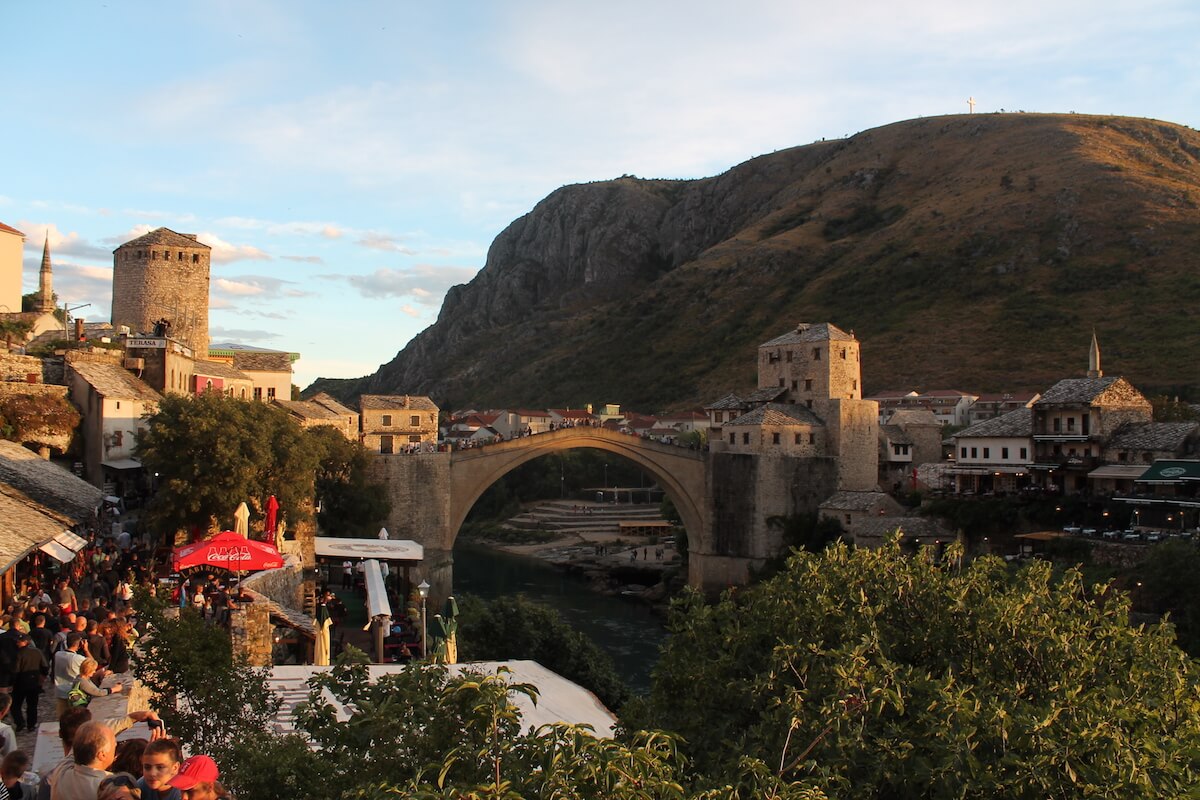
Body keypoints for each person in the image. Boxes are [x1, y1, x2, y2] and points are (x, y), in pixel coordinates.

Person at [49, 719, 116, 800]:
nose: (115, 747)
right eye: (114, 744)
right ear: (102, 755)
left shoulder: (61, 771)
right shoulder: (109, 789)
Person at [9, 634, 47, 732]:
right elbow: (45, 666)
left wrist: (11, 682)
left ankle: (20, 722)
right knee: (32, 705)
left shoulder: (18, 653)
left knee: (15, 705)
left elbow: (15, 670)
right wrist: (42, 677)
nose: (17, 642)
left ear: (26, 642)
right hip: (34, 683)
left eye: (19, 641)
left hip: (20, 684)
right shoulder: (37, 652)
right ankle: (31, 725)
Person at [52, 634, 87, 719]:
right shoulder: (78, 658)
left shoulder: (57, 654)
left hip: (60, 691)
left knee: (62, 718)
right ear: (79, 645)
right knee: (76, 718)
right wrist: (86, 649)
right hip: (73, 692)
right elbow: (92, 664)